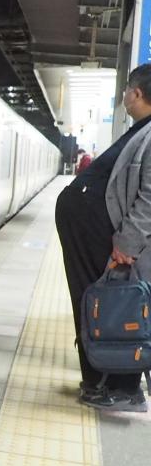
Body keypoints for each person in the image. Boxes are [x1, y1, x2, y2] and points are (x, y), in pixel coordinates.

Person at [56, 65, 151, 411]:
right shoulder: (142, 130)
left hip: (115, 242)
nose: (125, 96)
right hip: (99, 236)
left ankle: (119, 387)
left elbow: (150, 198)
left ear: (136, 93)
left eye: (127, 90)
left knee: (114, 309)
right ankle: (102, 380)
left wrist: (126, 244)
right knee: (99, 306)